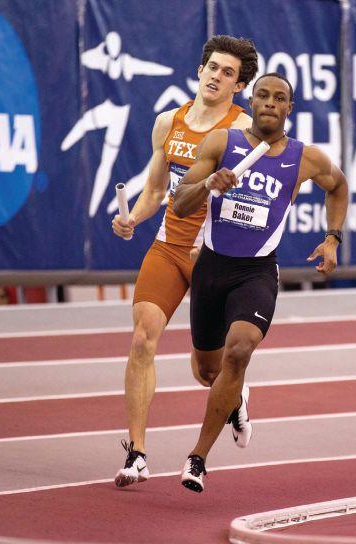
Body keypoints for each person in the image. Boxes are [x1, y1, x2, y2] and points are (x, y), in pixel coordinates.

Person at [173, 72, 349, 492]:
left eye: (279, 98)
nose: (270, 102)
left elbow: (339, 187)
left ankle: (197, 458)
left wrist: (332, 238)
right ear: (251, 102)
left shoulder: (305, 158)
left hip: (256, 273)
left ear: (289, 108)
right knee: (207, 371)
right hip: (211, 269)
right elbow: (179, 203)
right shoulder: (221, 143)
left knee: (239, 350)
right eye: (263, 95)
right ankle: (235, 400)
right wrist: (208, 183)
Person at [110, 35, 259, 487]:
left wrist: (220, 243)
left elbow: (252, 203)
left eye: (228, 73)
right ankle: (137, 453)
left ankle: (234, 394)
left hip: (213, 256)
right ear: (200, 70)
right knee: (142, 339)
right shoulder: (167, 122)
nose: (217, 76)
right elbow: (157, 190)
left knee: (208, 371)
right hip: (169, 247)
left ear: (238, 86)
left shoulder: (243, 129)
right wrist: (132, 218)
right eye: (212, 67)